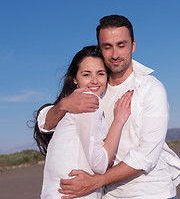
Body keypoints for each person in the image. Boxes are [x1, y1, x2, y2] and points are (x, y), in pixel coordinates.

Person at [37, 15, 180, 199]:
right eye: (107, 46)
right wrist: (63, 105)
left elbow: (146, 156)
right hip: (108, 194)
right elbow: (44, 123)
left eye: (121, 45)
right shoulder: (95, 88)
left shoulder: (150, 89)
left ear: (133, 45)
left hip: (149, 192)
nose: (114, 54)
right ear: (100, 48)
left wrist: (95, 181)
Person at [35, 45, 133, 199]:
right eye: (86, 74)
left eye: (100, 73)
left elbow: (43, 121)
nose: (94, 80)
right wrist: (118, 121)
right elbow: (99, 164)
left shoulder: (73, 106)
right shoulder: (89, 102)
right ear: (75, 78)